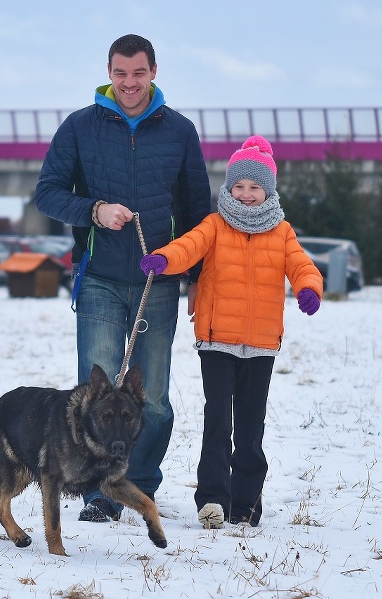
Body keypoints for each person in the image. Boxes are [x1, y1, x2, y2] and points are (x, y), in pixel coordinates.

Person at [33, 34, 212, 523]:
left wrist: (196, 275)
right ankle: (100, 492)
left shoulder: (179, 131)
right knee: (95, 393)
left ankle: (137, 483)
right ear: (108, 73)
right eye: (120, 73)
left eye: (138, 73)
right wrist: (93, 209)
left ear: (154, 71)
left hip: (159, 283)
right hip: (100, 280)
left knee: (150, 398)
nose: (129, 83)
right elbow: (46, 193)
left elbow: (199, 211)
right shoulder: (79, 127)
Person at [138, 135, 324, 528]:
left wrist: (309, 288)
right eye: (238, 186)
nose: (245, 194)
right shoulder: (216, 224)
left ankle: (246, 503)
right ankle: (212, 501)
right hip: (217, 339)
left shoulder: (282, 232)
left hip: (260, 344)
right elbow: (188, 247)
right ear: (228, 187)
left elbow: (302, 266)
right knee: (218, 421)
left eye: (254, 187)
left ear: (268, 189)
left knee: (251, 426)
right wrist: (164, 259)